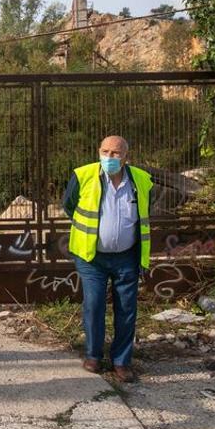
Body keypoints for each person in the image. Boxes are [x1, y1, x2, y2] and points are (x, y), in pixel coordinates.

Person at [62, 135, 153, 383]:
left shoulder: (142, 180)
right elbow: (69, 205)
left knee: (127, 309)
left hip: (127, 257)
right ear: (98, 151)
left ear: (126, 157)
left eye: (115, 153)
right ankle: (93, 355)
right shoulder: (83, 175)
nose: (109, 157)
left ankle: (121, 361)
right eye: (105, 152)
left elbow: (145, 211)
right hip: (92, 256)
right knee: (94, 305)